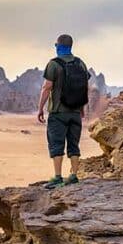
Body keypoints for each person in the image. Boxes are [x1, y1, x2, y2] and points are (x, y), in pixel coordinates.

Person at [37, 34, 90, 188]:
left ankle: (58, 177)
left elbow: (47, 87)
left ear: (58, 46)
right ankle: (73, 175)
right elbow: (83, 87)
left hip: (58, 112)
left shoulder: (54, 64)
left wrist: (40, 108)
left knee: (56, 144)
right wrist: (81, 108)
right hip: (75, 112)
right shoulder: (81, 64)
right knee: (74, 144)